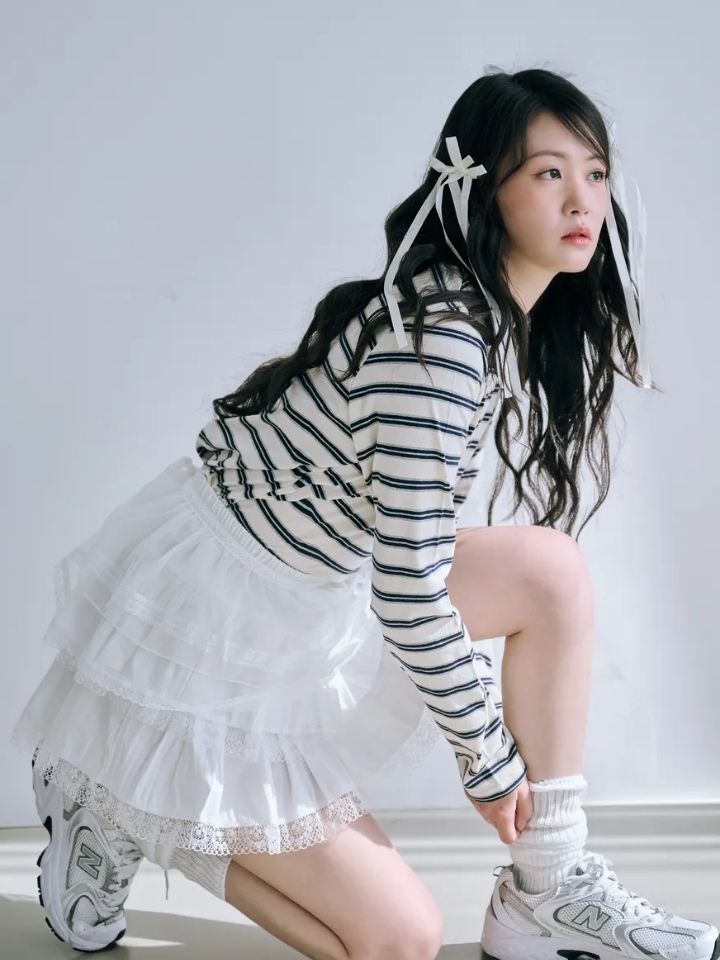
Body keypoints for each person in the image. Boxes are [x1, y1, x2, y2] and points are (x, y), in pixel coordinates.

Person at [11, 66, 719, 960]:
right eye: (548, 173)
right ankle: (122, 802)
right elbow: (410, 588)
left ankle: (550, 884)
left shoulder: (484, 317)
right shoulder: (442, 341)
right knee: (398, 940)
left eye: (595, 172)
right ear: (483, 190)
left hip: (315, 590)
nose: (583, 199)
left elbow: (403, 556)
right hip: (213, 645)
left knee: (551, 572)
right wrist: (488, 755)